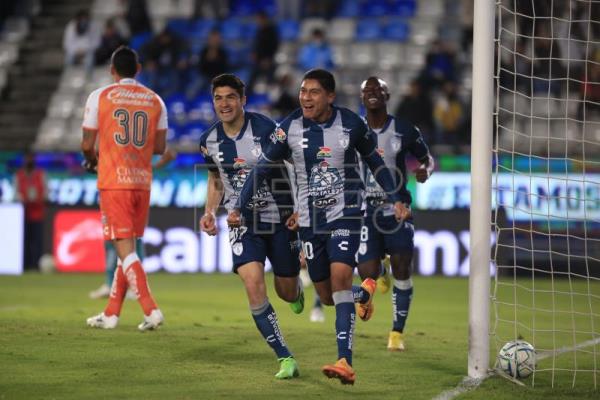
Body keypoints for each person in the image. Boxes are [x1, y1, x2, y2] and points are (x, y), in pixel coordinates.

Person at [229, 69, 410, 385]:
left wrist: (396, 196)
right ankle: (363, 293)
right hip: (310, 223)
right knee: (327, 295)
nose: (306, 97)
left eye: (313, 92)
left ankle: (345, 361)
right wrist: (238, 208)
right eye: (303, 91)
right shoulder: (289, 129)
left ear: (330, 96)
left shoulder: (351, 124)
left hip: (347, 215)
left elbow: (376, 163)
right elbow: (261, 169)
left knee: (340, 277)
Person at [198, 74, 304, 379]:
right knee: (253, 283)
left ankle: (296, 292)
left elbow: (293, 166)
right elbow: (217, 179)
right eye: (218, 98)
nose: (224, 103)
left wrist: (299, 210)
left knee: (285, 291)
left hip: (281, 219)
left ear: (243, 100)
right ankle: (285, 357)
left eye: (231, 97)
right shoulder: (209, 141)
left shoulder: (266, 129)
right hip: (242, 222)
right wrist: (209, 211)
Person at [82, 46, 167, 331]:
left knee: (124, 249)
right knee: (126, 248)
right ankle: (111, 315)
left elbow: (86, 144)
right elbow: (159, 147)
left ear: (112, 70)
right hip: (142, 183)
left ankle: (151, 309)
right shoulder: (156, 100)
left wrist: (91, 159)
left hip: (113, 182)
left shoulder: (100, 97)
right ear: (138, 69)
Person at [357, 76, 434, 351]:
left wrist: (426, 171)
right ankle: (380, 273)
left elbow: (428, 159)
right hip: (365, 212)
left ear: (388, 96)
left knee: (403, 268)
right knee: (366, 273)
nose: (373, 93)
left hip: (397, 211)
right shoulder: (353, 130)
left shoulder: (404, 129)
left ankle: (396, 333)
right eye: (368, 91)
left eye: (378, 90)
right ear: (362, 97)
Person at [88, 148, 177, 299]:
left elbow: (166, 154)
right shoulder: (119, 145)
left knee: (133, 241)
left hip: (128, 195)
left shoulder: (136, 145)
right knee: (113, 242)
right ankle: (111, 285)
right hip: (112, 194)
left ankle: (134, 287)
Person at [14, 151, 47, 271]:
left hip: (37, 213)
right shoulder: (19, 175)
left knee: (37, 241)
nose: (29, 161)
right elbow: (15, 192)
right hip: (22, 215)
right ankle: (24, 265)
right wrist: (21, 199)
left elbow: (46, 192)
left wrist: (38, 199)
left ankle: (35, 265)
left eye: (31, 158)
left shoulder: (40, 174)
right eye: (27, 158)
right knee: (24, 241)